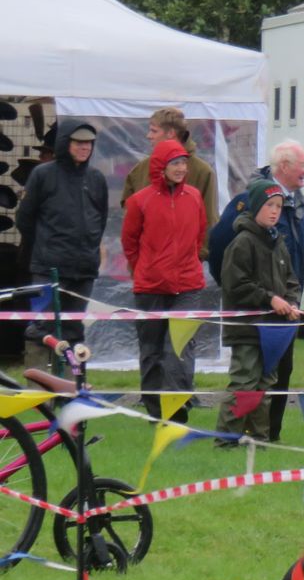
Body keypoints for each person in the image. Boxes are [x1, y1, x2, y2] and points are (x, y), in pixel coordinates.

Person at [212, 140, 304, 440]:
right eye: (270, 206)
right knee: (244, 382)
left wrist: (291, 301)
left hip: (278, 323)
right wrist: (270, 298)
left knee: (267, 383)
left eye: (278, 207)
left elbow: (291, 276)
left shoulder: (278, 240)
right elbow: (235, 281)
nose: (275, 212)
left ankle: (262, 439)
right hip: (247, 324)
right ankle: (226, 439)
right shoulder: (241, 241)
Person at [122, 138, 208, 423]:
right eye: (175, 163)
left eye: (184, 162)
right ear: (161, 165)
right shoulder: (139, 200)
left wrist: (187, 264)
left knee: (181, 346)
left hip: (188, 285)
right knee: (152, 350)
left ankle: (176, 405)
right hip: (150, 286)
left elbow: (199, 235)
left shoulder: (194, 197)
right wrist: (145, 270)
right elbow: (130, 242)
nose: (182, 168)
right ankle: (155, 408)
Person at [17, 122, 107, 348]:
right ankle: (39, 381)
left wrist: (89, 248)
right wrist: (46, 246)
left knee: (75, 333)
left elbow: (100, 219)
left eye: (88, 143)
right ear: (66, 143)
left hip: (84, 269)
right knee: (40, 329)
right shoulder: (43, 174)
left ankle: (74, 381)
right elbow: (24, 218)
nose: (85, 147)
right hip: (49, 268)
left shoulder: (96, 178)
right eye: (79, 142)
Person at [120, 107, 218, 244]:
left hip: (186, 261)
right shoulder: (140, 170)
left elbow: (209, 221)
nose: (148, 136)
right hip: (148, 261)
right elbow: (129, 218)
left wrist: (197, 255)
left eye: (154, 131)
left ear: (170, 133)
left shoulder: (202, 172)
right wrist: (138, 260)